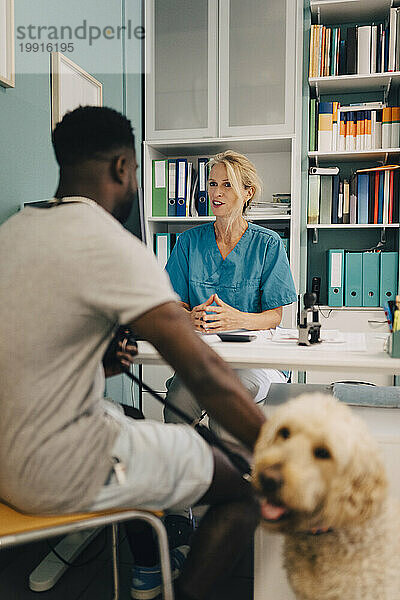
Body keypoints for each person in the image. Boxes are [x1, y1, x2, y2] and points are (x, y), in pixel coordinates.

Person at [0, 107, 266, 600]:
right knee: (246, 485)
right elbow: (204, 371)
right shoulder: (108, 241)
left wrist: (101, 363)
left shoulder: (14, 231)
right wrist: (281, 453)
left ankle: (148, 564)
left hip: (4, 457)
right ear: (124, 168)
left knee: (124, 412)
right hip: (50, 471)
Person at [164, 150, 297, 443]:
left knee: (228, 411)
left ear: (247, 193)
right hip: (204, 356)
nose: (217, 192)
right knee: (176, 405)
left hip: (256, 360)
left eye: (227, 185)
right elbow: (173, 302)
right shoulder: (188, 242)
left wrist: (236, 318)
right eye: (212, 184)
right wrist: (189, 316)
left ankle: (234, 481)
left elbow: (274, 316)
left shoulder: (267, 244)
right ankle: (192, 477)